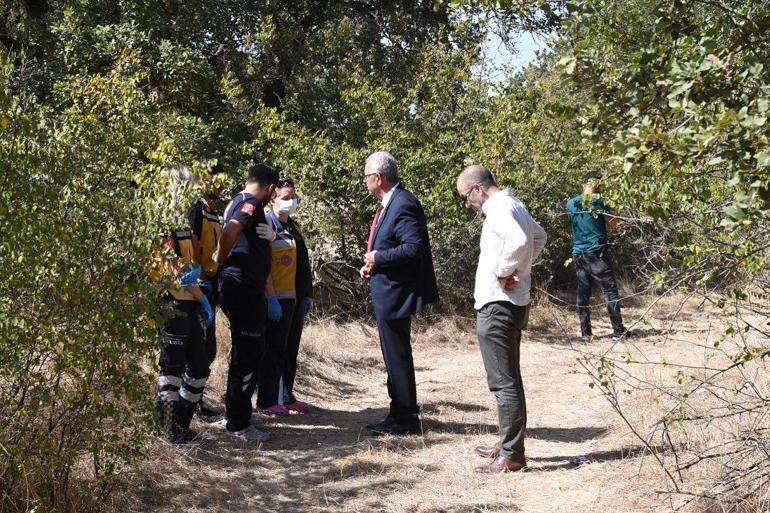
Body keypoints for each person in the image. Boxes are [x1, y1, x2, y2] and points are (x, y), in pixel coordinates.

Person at [456, 164, 547, 474]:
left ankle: (512, 455)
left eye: (465, 197)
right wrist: (519, 270)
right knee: (510, 378)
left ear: (478, 188)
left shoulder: (498, 208)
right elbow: (539, 237)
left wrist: (505, 271)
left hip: (498, 306)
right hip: (511, 304)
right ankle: (509, 444)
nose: (467, 204)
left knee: (503, 383)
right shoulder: (513, 204)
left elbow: (523, 242)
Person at [360, 151, 438, 436]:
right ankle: (398, 412)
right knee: (393, 355)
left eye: (366, 176)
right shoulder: (389, 203)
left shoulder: (403, 203)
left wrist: (379, 258)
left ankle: (405, 418)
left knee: (397, 355)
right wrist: (373, 263)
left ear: (378, 178)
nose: (365, 182)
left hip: (397, 294)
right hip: (388, 290)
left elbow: (413, 247)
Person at [214, 163, 279, 441]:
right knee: (249, 351)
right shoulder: (251, 202)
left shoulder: (236, 199)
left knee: (245, 349)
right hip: (243, 286)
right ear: (271, 187)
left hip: (240, 285)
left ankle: (234, 415)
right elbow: (231, 230)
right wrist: (220, 258)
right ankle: (239, 423)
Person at [154, 170, 216, 444]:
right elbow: (174, 269)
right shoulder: (162, 223)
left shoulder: (184, 225)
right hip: (171, 303)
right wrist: (200, 296)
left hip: (189, 301)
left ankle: (181, 424)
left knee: (200, 368)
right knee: (171, 369)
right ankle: (166, 428)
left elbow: (191, 266)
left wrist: (201, 293)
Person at [256, 177, 314, 416]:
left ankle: (287, 396)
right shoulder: (267, 225)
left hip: (296, 299)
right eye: (286, 198)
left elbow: (303, 263)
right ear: (273, 199)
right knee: (273, 351)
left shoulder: (293, 227)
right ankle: (268, 400)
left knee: (291, 350)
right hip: (277, 299)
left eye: (293, 197)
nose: (291, 202)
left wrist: (308, 294)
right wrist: (270, 298)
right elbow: (263, 265)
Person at [566, 171, 627, 342]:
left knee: (583, 293)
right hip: (597, 253)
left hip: (579, 253)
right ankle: (618, 331)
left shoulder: (571, 203)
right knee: (610, 291)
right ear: (597, 184)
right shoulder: (599, 201)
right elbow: (613, 223)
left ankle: (586, 333)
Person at [186, 166, 225, 422]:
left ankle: (197, 403)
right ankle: (189, 409)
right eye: (214, 179)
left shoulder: (213, 213)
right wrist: (197, 285)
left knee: (208, 350)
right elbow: (191, 252)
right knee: (198, 352)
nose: (219, 185)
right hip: (197, 289)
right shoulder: (195, 211)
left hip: (211, 286)